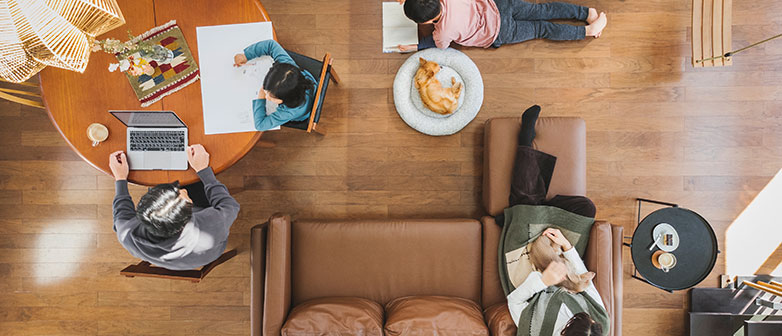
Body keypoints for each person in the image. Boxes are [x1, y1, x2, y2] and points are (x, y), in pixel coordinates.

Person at [502, 105, 606, 335]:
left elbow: (514, 301)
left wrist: (543, 281)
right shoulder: (599, 325)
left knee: (526, 205)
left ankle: (525, 141)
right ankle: (532, 208)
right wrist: (567, 247)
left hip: (530, 272)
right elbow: (586, 286)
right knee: (585, 208)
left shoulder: (539, 331)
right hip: (564, 264)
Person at [109, 144, 240, 270]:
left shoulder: (127, 235)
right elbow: (229, 205)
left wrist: (120, 177)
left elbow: (122, 213)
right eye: (185, 198)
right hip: (209, 253)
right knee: (195, 184)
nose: (183, 190)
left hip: (170, 258)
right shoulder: (211, 228)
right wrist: (203, 170)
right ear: (186, 218)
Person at [396, 0, 607, 52]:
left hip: (499, 31)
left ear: (424, 22)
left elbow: (437, 45)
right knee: (543, 10)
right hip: (500, 6)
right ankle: (585, 13)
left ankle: (587, 31)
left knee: (541, 29)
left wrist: (415, 47)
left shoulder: (443, 31)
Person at [233, 39, 316, 131]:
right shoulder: (288, 69)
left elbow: (260, 125)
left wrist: (261, 96)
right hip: (310, 84)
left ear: (286, 100)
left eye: (272, 97)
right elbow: (270, 44)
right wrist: (246, 55)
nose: (267, 96)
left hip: (303, 112)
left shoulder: (288, 112)